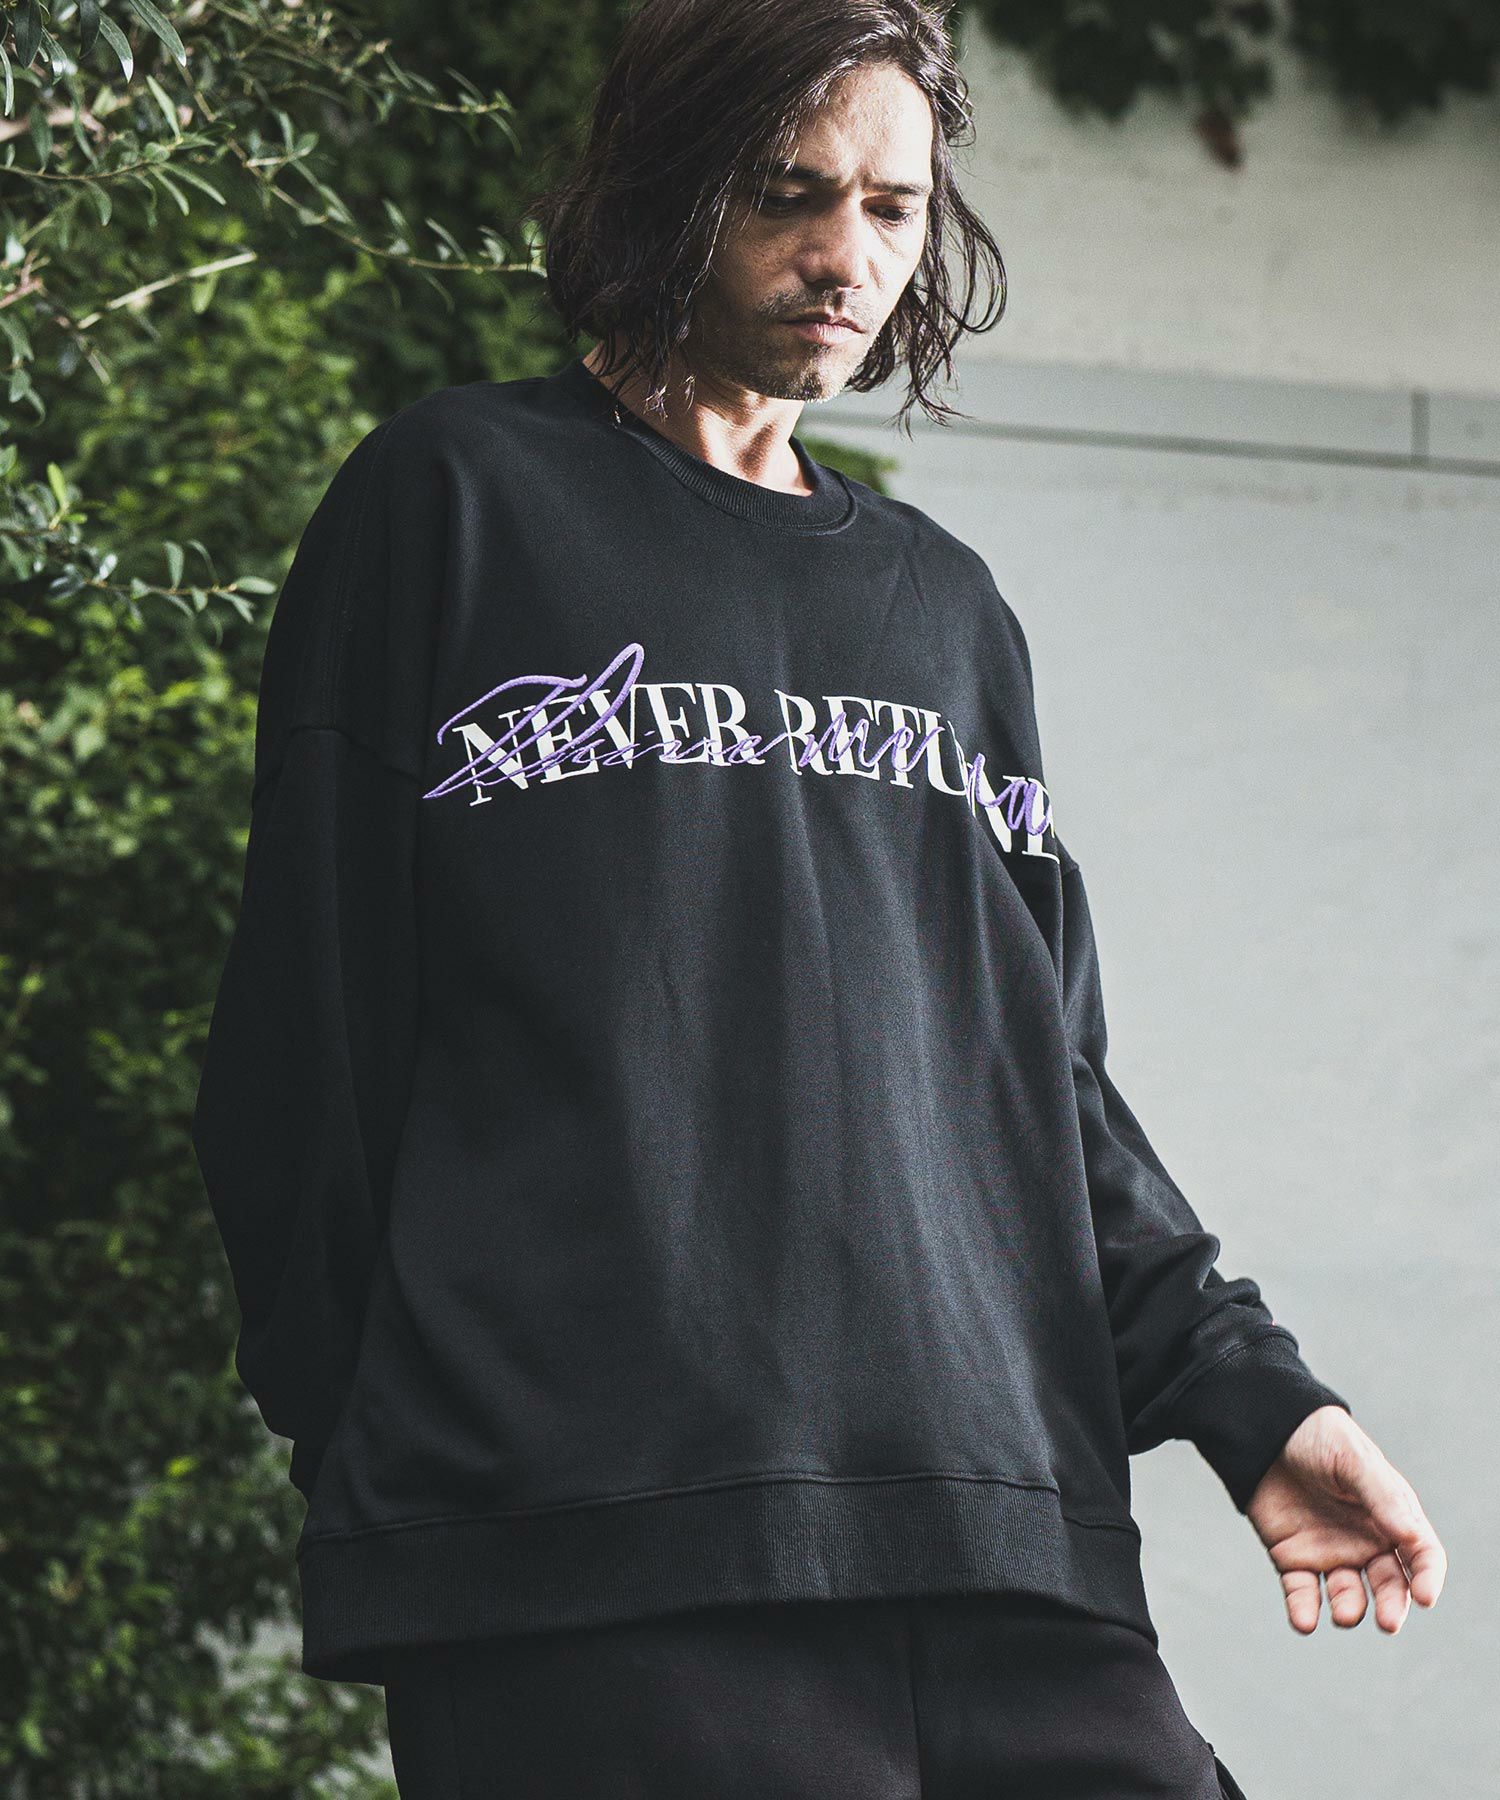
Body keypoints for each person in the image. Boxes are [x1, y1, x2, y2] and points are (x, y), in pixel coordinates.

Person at [190, 0, 1446, 1793]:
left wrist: (1254, 1398)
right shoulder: (455, 506)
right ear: (668, 185)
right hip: (599, 1560)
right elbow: (305, 1041)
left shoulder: (946, 610)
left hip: (1002, 1540)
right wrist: (421, 1473)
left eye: (892, 207)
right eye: (790, 192)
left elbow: (1046, 1091)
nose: (847, 256)